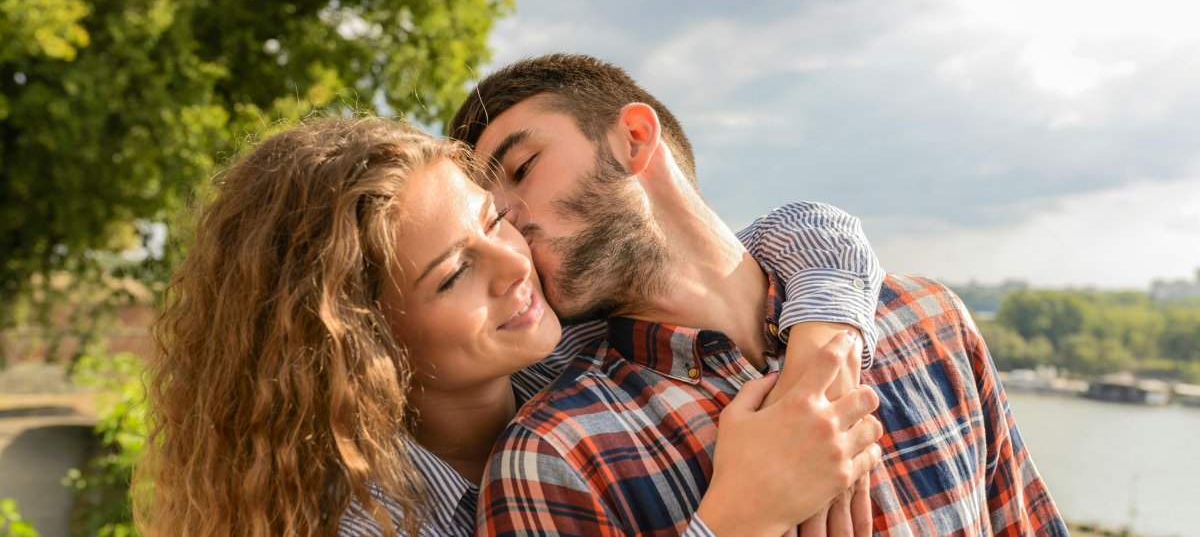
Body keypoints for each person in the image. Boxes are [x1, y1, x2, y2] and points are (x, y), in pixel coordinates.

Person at [136, 116, 886, 537]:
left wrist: (820, 367)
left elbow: (803, 233)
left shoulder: (574, 347)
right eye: (455, 273)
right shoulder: (361, 526)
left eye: (497, 219)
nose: (515, 262)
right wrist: (734, 520)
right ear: (362, 343)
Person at [449, 53, 1069, 536]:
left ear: (635, 138)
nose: (511, 217)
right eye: (491, 212)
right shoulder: (554, 458)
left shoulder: (931, 322)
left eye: (523, 167)